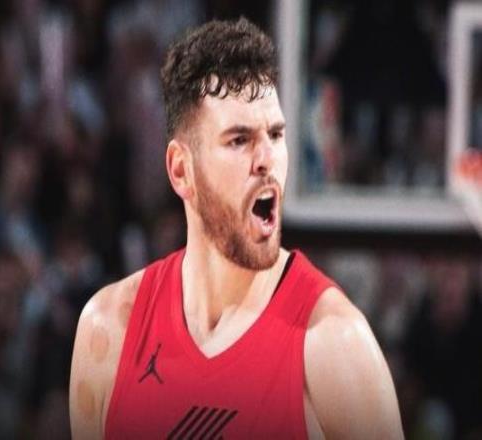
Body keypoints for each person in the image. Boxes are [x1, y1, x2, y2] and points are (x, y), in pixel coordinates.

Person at [69, 17, 404, 439]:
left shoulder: (335, 343)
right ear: (181, 170)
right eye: (239, 140)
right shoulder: (108, 330)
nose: (266, 160)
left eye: (276, 135)